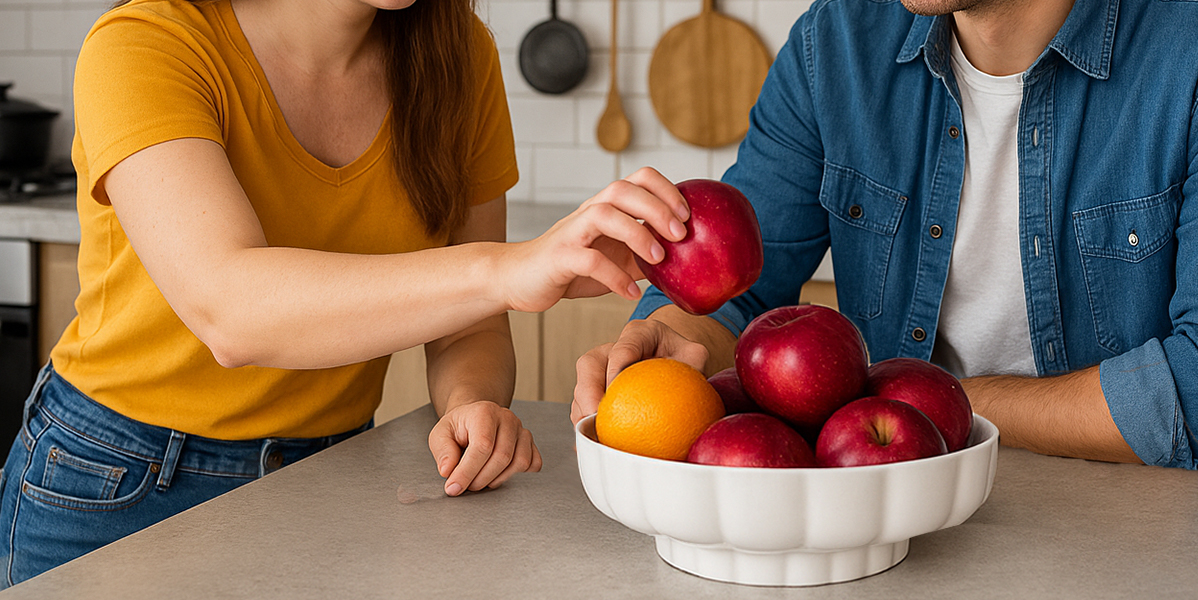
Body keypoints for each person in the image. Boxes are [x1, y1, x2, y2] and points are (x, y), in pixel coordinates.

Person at [0, 0, 691, 586]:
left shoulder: (457, 57)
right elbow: (230, 310)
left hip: (328, 474)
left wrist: (471, 404)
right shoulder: (146, 42)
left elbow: (466, 326)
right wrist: (503, 269)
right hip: (115, 483)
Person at [573, 0, 1198, 475]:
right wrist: (672, 333)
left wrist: (931, 407)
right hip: (907, 533)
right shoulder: (833, 45)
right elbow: (744, 294)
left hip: (1162, 531)